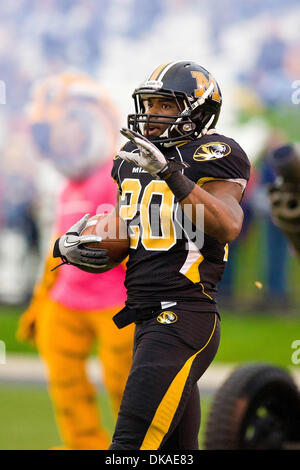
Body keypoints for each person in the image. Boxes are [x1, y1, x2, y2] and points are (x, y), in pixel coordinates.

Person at [53, 61, 251, 450]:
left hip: (184, 315)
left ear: (199, 109)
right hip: (144, 318)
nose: (154, 115)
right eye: (151, 104)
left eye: (166, 105)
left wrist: (171, 174)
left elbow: (227, 224)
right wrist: (71, 245)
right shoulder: (131, 156)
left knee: (129, 445)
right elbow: (127, 232)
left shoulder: (214, 153)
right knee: (176, 453)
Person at [17, 73, 134, 450]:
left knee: (128, 385)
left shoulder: (117, 176)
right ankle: (84, 445)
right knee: (65, 383)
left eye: (60, 131)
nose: (55, 144)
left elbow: (137, 238)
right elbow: (58, 246)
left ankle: (139, 449)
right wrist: (40, 300)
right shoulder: (68, 187)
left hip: (116, 302)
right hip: (66, 302)